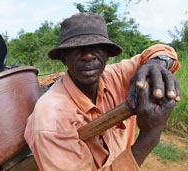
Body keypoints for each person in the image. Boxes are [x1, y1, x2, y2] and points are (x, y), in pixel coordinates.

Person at [24, 12, 180, 171]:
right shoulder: (52, 119)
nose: (89, 56)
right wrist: (149, 137)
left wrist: (155, 66)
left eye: (97, 47)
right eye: (77, 49)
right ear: (64, 58)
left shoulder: (116, 75)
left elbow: (163, 51)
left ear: (107, 54)